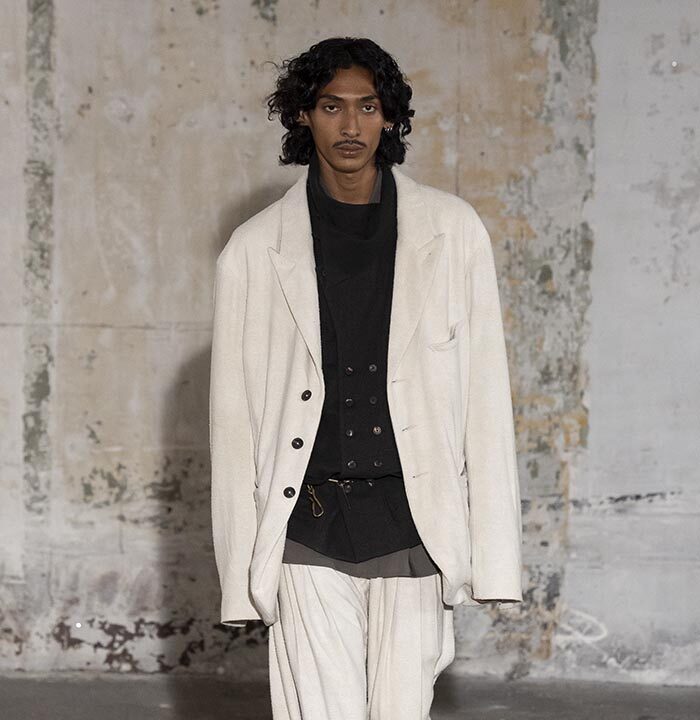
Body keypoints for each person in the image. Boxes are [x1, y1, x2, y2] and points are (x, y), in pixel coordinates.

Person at [209, 37, 523, 719]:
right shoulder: (252, 252)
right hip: (306, 528)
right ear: (302, 115)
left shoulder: (454, 232)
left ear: (390, 117)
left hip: (414, 526)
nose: (350, 125)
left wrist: (496, 560)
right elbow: (233, 427)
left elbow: (485, 402)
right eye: (331, 106)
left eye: (367, 107)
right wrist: (239, 574)